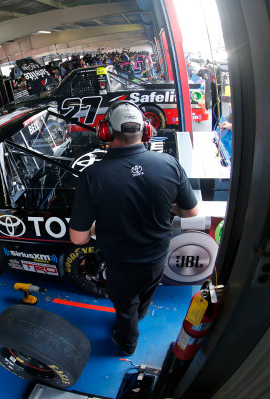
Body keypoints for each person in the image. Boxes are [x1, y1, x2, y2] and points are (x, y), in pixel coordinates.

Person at [69, 101, 199, 355]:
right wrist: (166, 206)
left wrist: (97, 227)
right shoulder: (169, 164)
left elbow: (78, 238)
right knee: (144, 296)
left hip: (122, 264)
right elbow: (191, 211)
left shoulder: (92, 176)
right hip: (158, 258)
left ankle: (127, 344)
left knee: (125, 307)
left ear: (105, 132)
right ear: (147, 131)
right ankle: (139, 317)